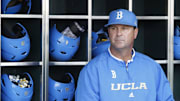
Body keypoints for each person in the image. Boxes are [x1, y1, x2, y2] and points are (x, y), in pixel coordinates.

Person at [75, 9, 174, 101]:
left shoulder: (152, 67)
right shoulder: (92, 70)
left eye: (124, 28)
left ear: (135, 33)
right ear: (108, 32)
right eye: (114, 28)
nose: (119, 33)